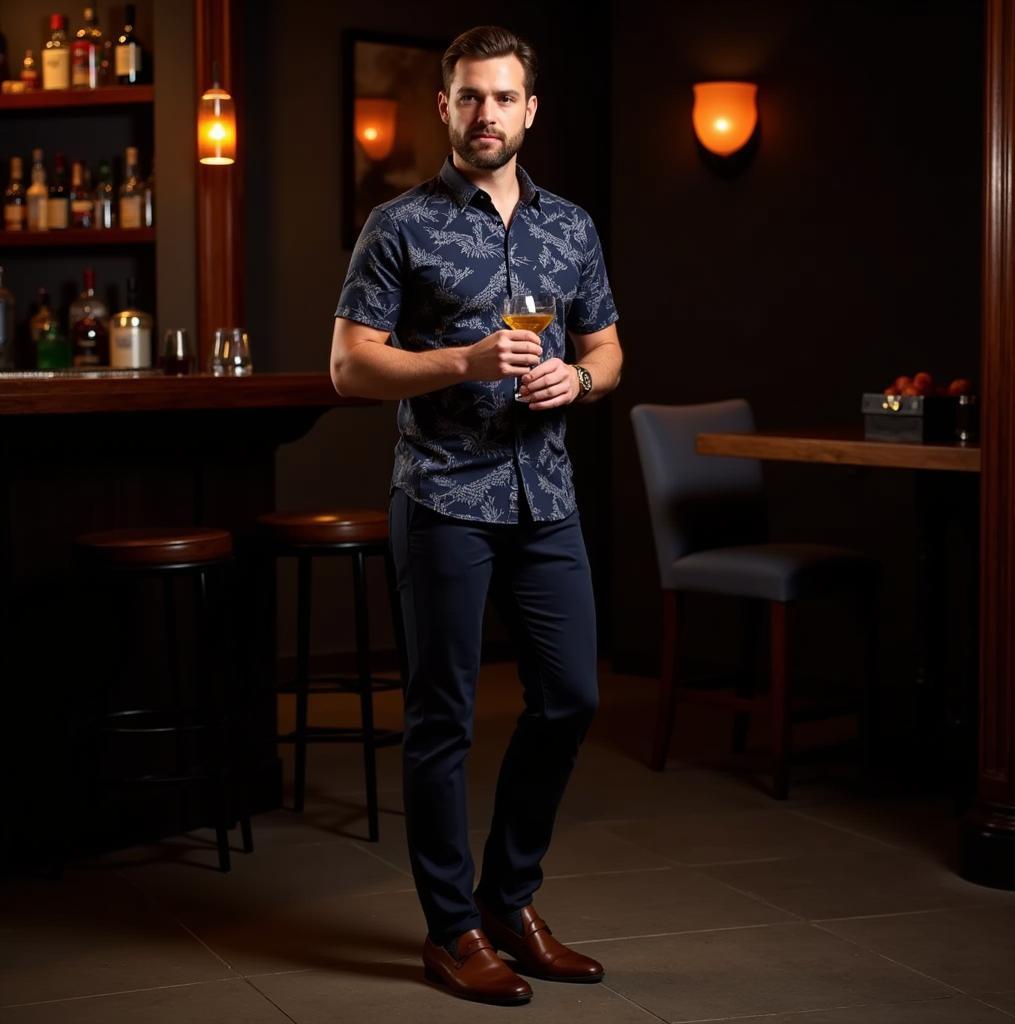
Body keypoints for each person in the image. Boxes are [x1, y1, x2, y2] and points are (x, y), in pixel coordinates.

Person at [330, 24, 623, 1007]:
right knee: (442, 719)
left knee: (571, 696)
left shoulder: (571, 226)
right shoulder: (398, 225)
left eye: (503, 98)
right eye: (469, 97)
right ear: (445, 107)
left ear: (529, 109)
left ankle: (510, 900)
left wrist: (574, 380)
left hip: (547, 500)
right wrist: (460, 361)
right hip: (445, 500)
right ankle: (451, 928)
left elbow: (611, 350)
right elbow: (350, 364)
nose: (486, 114)